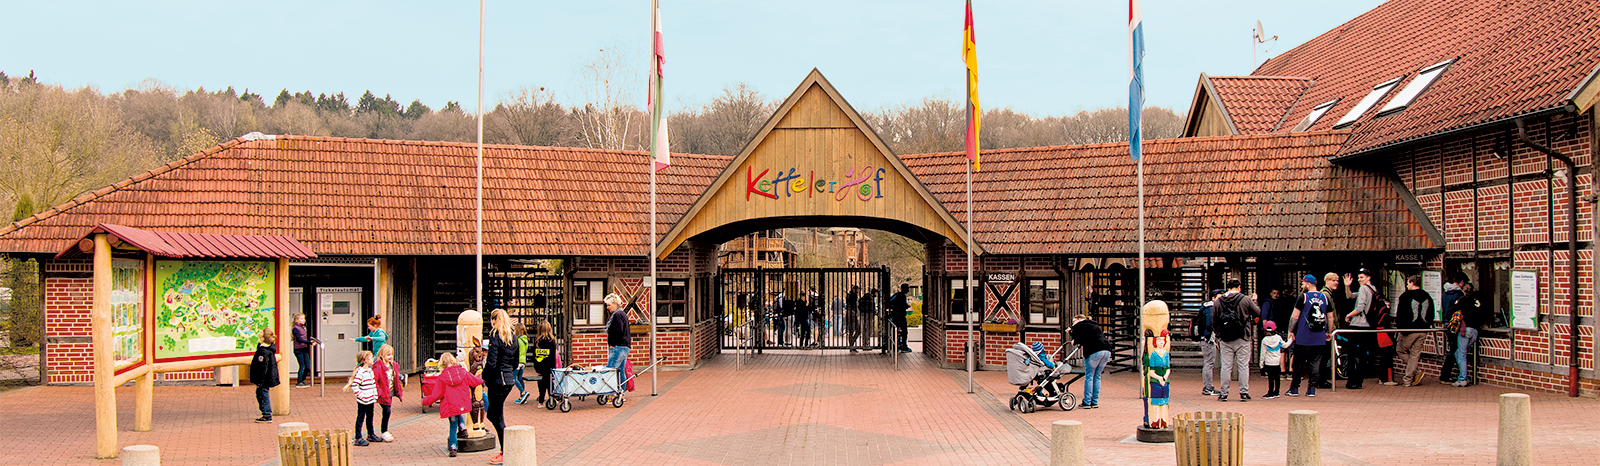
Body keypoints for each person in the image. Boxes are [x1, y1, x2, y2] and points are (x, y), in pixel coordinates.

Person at [421, 352, 482, 458]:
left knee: (453, 425)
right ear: (454, 361)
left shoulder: (441, 378)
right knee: (458, 410)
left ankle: (453, 448)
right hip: (461, 402)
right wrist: (482, 375)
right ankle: (462, 427)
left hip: (450, 404)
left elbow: (437, 395)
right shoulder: (463, 372)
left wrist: (425, 400)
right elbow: (475, 381)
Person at [1212, 279, 1260, 402]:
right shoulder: (1245, 299)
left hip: (1225, 338)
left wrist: (1219, 335)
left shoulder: (1219, 301)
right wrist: (1254, 300)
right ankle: (1243, 392)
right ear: (1239, 287)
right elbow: (1257, 312)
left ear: (1227, 287)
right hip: (1242, 336)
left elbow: (1215, 320)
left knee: (1226, 366)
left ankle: (1224, 393)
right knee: (1243, 366)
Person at [484, 310, 520, 465]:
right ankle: (505, 449)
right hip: (508, 381)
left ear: (494, 320)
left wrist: (485, 376)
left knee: (495, 415)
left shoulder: (495, 335)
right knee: (494, 414)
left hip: (497, 381)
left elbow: (491, 362)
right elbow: (515, 363)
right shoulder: (514, 338)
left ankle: (506, 450)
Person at [1286, 275, 1330, 397]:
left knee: (1298, 362)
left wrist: (1290, 330)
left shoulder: (1303, 297)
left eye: (1303, 283)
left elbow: (1295, 316)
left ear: (1308, 284)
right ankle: (1311, 389)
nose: (1301, 285)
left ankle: (1294, 388)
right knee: (1315, 363)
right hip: (1319, 335)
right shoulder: (1324, 298)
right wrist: (1329, 331)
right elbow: (1329, 316)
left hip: (1304, 336)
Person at [1394, 275, 1435, 387]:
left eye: (1408, 283)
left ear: (1412, 283)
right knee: (1415, 355)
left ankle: (1414, 373)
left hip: (1409, 329)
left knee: (1401, 350)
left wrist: (1401, 329)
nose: (1407, 285)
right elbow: (1431, 313)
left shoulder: (1405, 296)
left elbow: (1400, 314)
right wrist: (1427, 325)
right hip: (1423, 329)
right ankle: (1408, 379)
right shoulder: (1427, 296)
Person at [1340, 269, 1377, 389]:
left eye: (1361, 277)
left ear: (1368, 277)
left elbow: (1360, 307)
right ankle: (1359, 381)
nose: (1359, 279)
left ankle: (1351, 381)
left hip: (1358, 325)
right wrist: (1347, 287)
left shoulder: (1363, 289)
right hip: (1368, 326)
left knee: (1352, 354)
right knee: (1362, 355)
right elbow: (1350, 296)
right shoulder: (1373, 289)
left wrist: (1349, 315)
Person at [1068, 314, 1112, 409]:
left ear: (1079, 319)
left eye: (1074, 321)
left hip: (1094, 351)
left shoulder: (1079, 325)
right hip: (1106, 350)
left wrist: (1071, 334)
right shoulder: (1094, 324)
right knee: (1097, 376)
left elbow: (1078, 338)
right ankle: (1095, 401)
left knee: (1089, 376)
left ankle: (1087, 402)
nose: (1073, 324)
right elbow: (1088, 336)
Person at [1450, 278, 1484, 387]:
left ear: (1463, 291)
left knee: (1461, 354)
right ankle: (1464, 376)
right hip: (1475, 330)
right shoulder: (1478, 301)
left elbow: (1452, 310)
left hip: (1466, 330)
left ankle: (1462, 378)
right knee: (1459, 353)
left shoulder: (1464, 300)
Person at [342, 350, 379, 446]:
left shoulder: (370, 371)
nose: (373, 359)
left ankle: (370, 434)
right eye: (371, 358)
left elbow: (373, 384)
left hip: (370, 399)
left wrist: (374, 395)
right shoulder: (360, 372)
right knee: (360, 418)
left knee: (370, 417)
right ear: (365, 360)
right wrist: (361, 396)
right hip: (363, 400)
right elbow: (354, 385)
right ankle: (358, 437)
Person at [373, 344, 404, 442]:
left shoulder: (393, 365)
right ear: (382, 355)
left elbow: (395, 375)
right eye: (388, 355)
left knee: (387, 410)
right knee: (387, 410)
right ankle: (384, 431)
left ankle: (384, 430)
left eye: (391, 354)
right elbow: (375, 380)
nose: (390, 357)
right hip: (383, 392)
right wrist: (379, 392)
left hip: (389, 391)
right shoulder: (378, 366)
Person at [1317, 273, 1342, 389]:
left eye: (1337, 280)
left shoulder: (1327, 294)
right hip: (1326, 331)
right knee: (1324, 355)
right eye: (1333, 280)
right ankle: (1320, 379)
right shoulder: (1325, 295)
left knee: (1324, 356)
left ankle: (1320, 379)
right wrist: (1330, 330)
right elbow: (1328, 315)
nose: (1336, 282)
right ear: (1327, 280)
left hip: (1325, 330)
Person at [1439, 277, 1465, 383]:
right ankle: (1445, 375)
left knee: (1452, 347)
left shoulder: (1445, 293)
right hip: (1455, 323)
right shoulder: (1459, 294)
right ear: (1461, 282)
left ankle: (1445, 375)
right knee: (1454, 348)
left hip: (1446, 321)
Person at [249, 330, 280, 422]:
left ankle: (267, 414)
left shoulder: (263, 351)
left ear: (263, 338)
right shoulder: (269, 348)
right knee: (261, 393)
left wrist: (259, 381)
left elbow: (262, 367)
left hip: (264, 378)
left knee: (263, 394)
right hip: (268, 377)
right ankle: (266, 413)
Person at [1195, 289, 1221, 396]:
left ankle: (1208, 386)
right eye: (1219, 297)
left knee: (1208, 363)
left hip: (1207, 338)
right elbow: (1211, 325)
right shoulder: (1211, 309)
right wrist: (1213, 339)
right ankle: (1208, 387)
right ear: (1213, 298)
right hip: (1208, 339)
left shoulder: (1206, 308)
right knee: (1209, 363)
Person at [530, 321, 558, 404]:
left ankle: (541, 400)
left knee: (541, 384)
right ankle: (552, 399)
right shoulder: (551, 341)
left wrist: (536, 367)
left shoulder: (537, 341)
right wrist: (553, 368)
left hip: (540, 366)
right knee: (550, 384)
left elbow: (534, 355)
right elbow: (553, 356)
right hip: (549, 366)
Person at [603, 293, 631, 370]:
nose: (607, 307)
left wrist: (612, 344)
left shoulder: (617, 315)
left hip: (618, 347)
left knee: (611, 370)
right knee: (621, 370)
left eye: (609, 305)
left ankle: (613, 383)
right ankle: (622, 382)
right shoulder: (623, 314)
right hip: (624, 346)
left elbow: (618, 331)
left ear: (615, 304)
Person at [292, 313, 318, 388]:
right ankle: (299, 381)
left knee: (308, 366)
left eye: (304, 318)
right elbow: (299, 339)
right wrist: (309, 342)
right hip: (298, 349)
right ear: (296, 320)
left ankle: (303, 379)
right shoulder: (295, 328)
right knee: (302, 366)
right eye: (301, 319)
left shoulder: (303, 327)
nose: (303, 320)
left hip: (303, 348)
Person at [1259, 321, 1284, 399]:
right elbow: (1285, 345)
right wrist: (1290, 340)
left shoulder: (1264, 340)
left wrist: (1261, 363)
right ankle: (1277, 392)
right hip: (1277, 362)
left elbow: (1263, 353)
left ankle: (1270, 392)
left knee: (1270, 378)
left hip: (1269, 362)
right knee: (1277, 377)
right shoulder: (1278, 338)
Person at [888, 283, 912, 352]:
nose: (908, 290)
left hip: (899, 316)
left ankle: (900, 345)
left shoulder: (899, 295)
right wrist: (898, 308)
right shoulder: (899, 295)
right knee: (903, 331)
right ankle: (901, 346)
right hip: (899, 316)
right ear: (903, 288)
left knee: (902, 331)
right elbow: (890, 303)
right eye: (907, 288)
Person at [513, 322, 530, 404]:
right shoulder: (525, 340)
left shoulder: (518, 340)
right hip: (523, 361)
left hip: (518, 361)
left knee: (513, 378)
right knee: (520, 378)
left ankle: (523, 392)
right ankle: (522, 398)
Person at [845, 285, 862, 352]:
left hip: (852, 314)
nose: (859, 291)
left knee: (857, 330)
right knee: (852, 330)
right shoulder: (852, 296)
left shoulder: (851, 295)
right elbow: (851, 305)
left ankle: (851, 344)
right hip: (851, 314)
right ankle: (851, 345)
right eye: (858, 289)